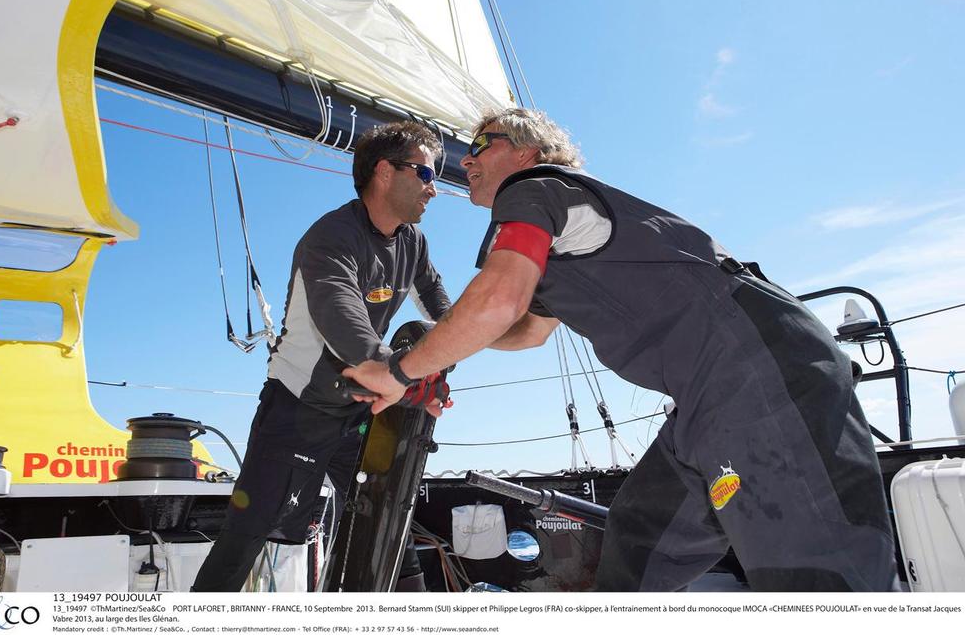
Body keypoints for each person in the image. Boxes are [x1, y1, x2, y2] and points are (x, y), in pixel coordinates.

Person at [343, 107, 898, 592]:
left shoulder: (535, 188)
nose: (466, 159)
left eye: (482, 145)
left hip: (758, 378)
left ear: (529, 152)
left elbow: (497, 303)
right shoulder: (564, 229)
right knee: (635, 547)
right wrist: (437, 356)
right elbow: (525, 331)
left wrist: (400, 372)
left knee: (816, 580)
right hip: (707, 401)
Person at [193, 121, 451, 591]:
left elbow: (442, 309)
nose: (434, 189)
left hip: (357, 408)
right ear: (385, 172)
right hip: (296, 406)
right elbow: (339, 314)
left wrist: (446, 358)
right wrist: (396, 373)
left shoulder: (412, 243)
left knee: (386, 519)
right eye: (426, 174)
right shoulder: (331, 238)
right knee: (247, 537)